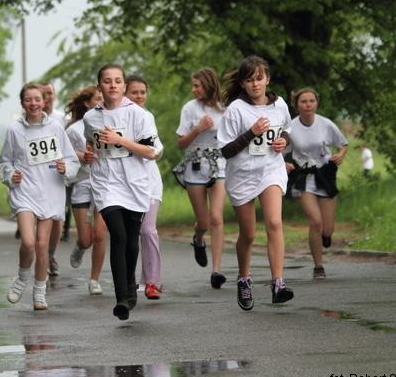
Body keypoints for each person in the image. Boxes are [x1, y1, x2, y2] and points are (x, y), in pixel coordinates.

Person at [217, 55, 294, 311]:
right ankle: (244, 278)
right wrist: (251, 133)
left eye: (259, 78)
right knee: (248, 234)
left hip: (271, 170)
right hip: (242, 175)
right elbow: (225, 150)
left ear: (267, 79)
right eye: (249, 80)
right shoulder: (236, 110)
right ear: (242, 83)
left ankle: (278, 283)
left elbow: (287, 129)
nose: (255, 84)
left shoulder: (279, 104)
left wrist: (283, 141)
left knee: (274, 223)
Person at [83, 63, 159, 321]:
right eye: (107, 81)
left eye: (117, 81)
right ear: (99, 86)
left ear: (124, 86)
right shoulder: (91, 118)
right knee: (118, 235)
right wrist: (89, 154)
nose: (113, 85)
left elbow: (151, 152)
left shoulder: (139, 115)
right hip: (106, 184)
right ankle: (121, 299)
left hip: (135, 183)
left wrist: (121, 141)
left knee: (131, 239)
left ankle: (130, 286)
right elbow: (91, 143)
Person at [0, 83, 79, 311]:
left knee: (43, 245)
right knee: (28, 241)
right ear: (22, 103)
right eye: (28, 100)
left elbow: (71, 159)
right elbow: (4, 161)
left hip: (50, 190)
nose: (33, 103)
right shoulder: (15, 130)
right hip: (25, 191)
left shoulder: (56, 127)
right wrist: (10, 174)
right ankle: (22, 277)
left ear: (44, 101)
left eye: (37, 99)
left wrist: (66, 167)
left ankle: (40, 291)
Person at [172, 67, 228, 289]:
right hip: (195, 165)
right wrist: (198, 129)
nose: (193, 89)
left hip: (219, 164)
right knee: (204, 221)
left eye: (197, 85)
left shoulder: (226, 107)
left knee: (216, 218)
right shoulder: (189, 108)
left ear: (208, 85)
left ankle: (216, 270)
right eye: (193, 85)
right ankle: (198, 238)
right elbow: (180, 143)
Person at [284, 88, 348, 279]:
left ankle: (326, 236)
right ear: (297, 105)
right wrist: (284, 163)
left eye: (312, 101)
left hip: (324, 175)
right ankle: (318, 266)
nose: (308, 105)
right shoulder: (290, 127)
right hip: (303, 177)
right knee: (315, 222)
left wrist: (340, 154)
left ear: (316, 103)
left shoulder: (326, 124)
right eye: (303, 101)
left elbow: (342, 144)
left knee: (327, 228)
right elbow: (278, 151)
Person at [64, 86, 107, 295]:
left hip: (106, 184)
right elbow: (62, 155)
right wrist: (80, 156)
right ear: (87, 103)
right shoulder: (73, 130)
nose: (101, 102)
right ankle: (80, 246)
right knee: (86, 239)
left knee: (99, 234)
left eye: (102, 98)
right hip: (82, 182)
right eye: (97, 98)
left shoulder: (110, 124)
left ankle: (94, 279)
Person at [125, 75, 165, 300]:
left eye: (142, 92)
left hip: (149, 183)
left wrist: (152, 152)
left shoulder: (147, 117)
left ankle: (152, 282)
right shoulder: (115, 118)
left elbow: (157, 148)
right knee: (129, 234)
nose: (139, 96)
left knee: (148, 230)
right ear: (125, 93)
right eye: (134, 92)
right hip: (124, 185)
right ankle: (130, 280)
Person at [41, 83, 69, 274]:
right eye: (44, 94)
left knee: (57, 218)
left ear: (55, 95)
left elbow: (69, 144)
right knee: (41, 217)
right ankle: (42, 255)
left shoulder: (62, 118)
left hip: (57, 173)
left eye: (50, 93)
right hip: (36, 175)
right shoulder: (30, 119)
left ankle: (50, 255)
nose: (48, 97)